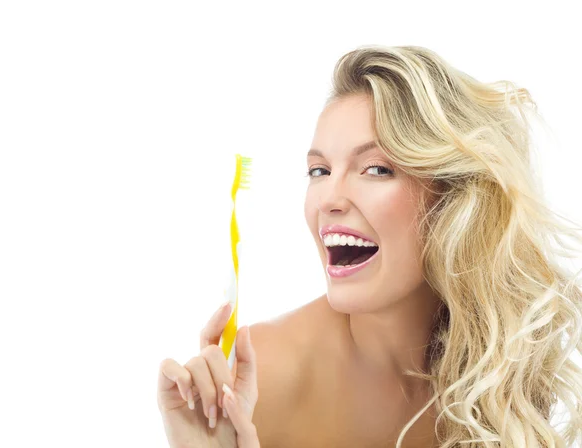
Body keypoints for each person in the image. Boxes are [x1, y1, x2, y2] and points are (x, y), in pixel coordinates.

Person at [157, 45, 582, 447]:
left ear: (454, 196)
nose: (329, 199)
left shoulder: (504, 363)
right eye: (319, 170)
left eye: (376, 169)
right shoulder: (264, 376)